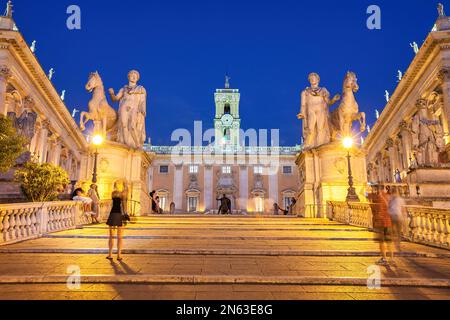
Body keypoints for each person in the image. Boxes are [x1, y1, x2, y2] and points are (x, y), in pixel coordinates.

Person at [369, 185, 394, 266]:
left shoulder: (377, 197)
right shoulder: (389, 197)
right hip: (389, 221)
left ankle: (384, 258)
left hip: (381, 222)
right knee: (389, 241)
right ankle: (392, 259)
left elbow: (373, 207)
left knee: (381, 242)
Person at [106, 187, 126, 261]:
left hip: (112, 215)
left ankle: (110, 254)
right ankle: (119, 255)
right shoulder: (122, 200)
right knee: (120, 237)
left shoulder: (112, 200)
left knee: (111, 236)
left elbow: (109, 209)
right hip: (119, 216)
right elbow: (124, 209)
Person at [388, 187, 407, 253]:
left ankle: (393, 244)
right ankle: (398, 245)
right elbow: (403, 209)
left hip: (391, 216)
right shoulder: (400, 199)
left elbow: (388, 207)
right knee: (398, 232)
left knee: (392, 232)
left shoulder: (389, 199)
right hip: (398, 216)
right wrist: (404, 218)